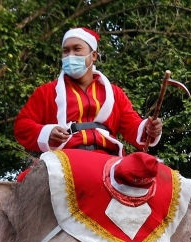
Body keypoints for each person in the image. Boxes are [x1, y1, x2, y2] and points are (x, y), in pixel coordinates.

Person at [14, 27, 163, 156]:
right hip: (65, 158)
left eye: (77, 49)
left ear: (93, 56)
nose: (70, 55)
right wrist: (47, 132)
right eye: (65, 51)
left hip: (109, 159)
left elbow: (133, 126)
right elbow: (22, 127)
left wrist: (149, 129)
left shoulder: (115, 93)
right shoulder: (45, 92)